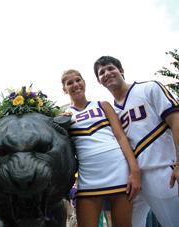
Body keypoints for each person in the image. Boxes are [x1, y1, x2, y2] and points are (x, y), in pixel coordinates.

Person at [94, 56, 179, 227]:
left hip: (163, 170)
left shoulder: (149, 88)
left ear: (121, 70)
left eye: (111, 68)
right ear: (99, 81)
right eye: (101, 72)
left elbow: (176, 120)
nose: (107, 73)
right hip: (134, 179)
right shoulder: (112, 111)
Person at [61, 69, 141, 227]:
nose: (75, 84)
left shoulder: (103, 105)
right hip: (89, 179)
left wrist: (134, 171)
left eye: (78, 80)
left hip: (119, 172)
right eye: (70, 83)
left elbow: (121, 137)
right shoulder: (65, 116)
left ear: (84, 83)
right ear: (64, 89)